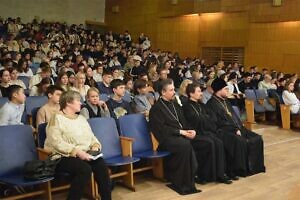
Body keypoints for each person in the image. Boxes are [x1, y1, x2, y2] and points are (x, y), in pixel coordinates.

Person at [44, 90, 111, 200]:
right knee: (84, 169)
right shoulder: (56, 118)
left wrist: (95, 145)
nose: (81, 103)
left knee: (101, 165)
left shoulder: (81, 118)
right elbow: (55, 142)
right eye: (78, 101)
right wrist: (77, 152)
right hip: (63, 156)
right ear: (69, 103)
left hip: (85, 154)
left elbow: (91, 136)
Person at [149, 78, 200, 195]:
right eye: (171, 90)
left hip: (180, 136)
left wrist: (190, 131)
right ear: (163, 92)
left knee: (199, 140)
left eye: (174, 90)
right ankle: (180, 181)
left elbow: (183, 122)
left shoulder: (175, 104)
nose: (174, 92)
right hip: (166, 140)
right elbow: (161, 130)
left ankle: (192, 177)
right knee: (184, 144)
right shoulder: (156, 109)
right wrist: (180, 132)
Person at [206, 78, 265, 177]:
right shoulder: (211, 104)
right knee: (240, 141)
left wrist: (239, 127)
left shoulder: (226, 102)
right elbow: (217, 123)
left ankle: (255, 167)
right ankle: (242, 170)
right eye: (226, 89)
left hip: (237, 128)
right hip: (224, 131)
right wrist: (234, 129)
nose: (228, 91)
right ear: (218, 90)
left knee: (257, 138)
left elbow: (234, 117)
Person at [183, 83, 232, 184]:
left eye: (201, 91)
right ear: (191, 94)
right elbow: (194, 121)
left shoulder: (202, 105)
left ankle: (220, 174)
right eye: (199, 91)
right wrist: (205, 119)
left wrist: (205, 120)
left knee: (219, 142)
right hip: (196, 134)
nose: (201, 93)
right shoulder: (186, 106)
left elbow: (212, 118)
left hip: (206, 131)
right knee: (209, 143)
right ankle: (205, 176)